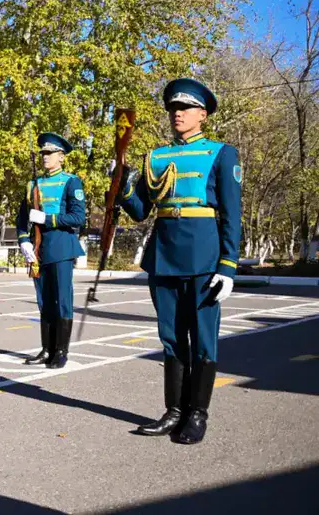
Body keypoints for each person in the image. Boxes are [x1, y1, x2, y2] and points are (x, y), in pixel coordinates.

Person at [117, 78, 241, 445]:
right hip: (164, 256)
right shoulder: (155, 157)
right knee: (171, 338)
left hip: (204, 257)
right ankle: (174, 411)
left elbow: (233, 214)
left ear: (202, 115)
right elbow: (140, 211)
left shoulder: (221, 153)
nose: (177, 114)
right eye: (173, 108)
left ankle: (197, 413)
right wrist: (122, 184)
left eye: (184, 109)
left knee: (203, 340)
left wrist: (228, 266)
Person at [16, 133, 86, 369]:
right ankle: (46, 349)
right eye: (43, 153)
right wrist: (24, 241)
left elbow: (78, 217)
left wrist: (47, 218)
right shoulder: (32, 184)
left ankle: (61, 351)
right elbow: (21, 219)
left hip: (61, 247)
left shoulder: (70, 182)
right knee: (44, 301)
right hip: (38, 249)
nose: (45, 157)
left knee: (62, 300)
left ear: (61, 157)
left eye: (50, 153)